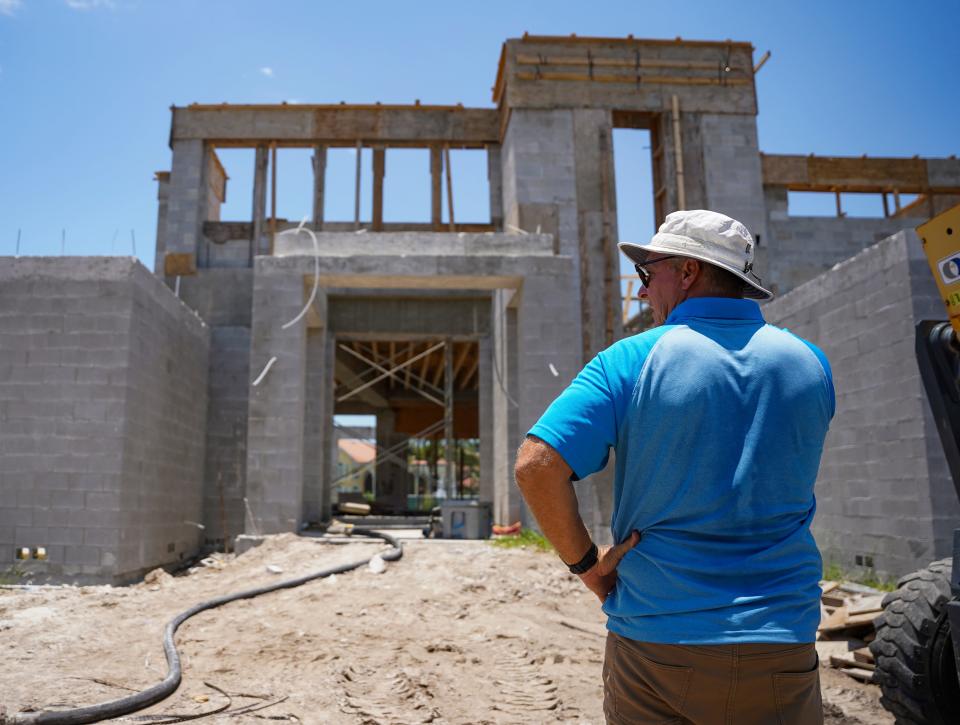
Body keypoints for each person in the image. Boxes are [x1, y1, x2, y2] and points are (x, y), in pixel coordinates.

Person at [515, 209, 834, 724]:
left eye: (648, 273)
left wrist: (587, 567)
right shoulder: (810, 363)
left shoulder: (629, 360)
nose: (642, 292)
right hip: (782, 640)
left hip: (657, 643)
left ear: (687, 273)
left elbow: (536, 466)